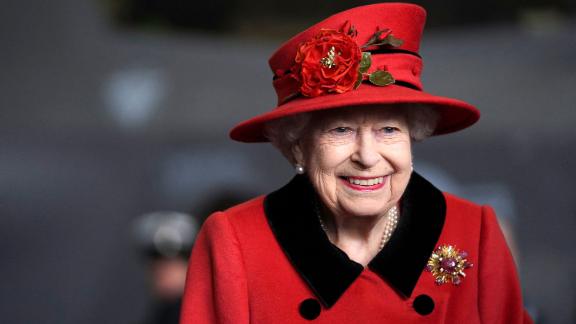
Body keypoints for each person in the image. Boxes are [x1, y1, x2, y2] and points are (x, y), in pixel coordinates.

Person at [180, 3, 532, 323]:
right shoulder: (237, 242)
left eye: (389, 129)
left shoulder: (474, 232)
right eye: (341, 130)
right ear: (298, 146)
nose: (367, 157)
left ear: (413, 136)